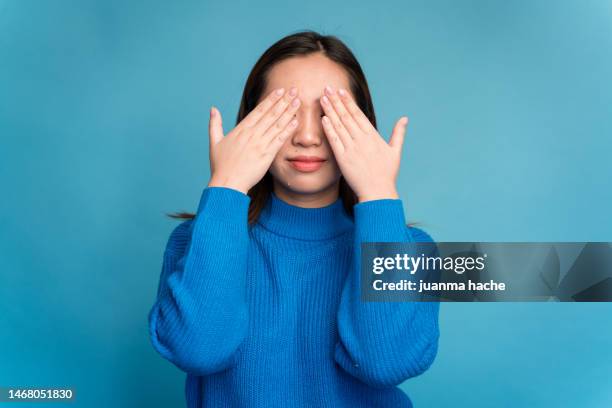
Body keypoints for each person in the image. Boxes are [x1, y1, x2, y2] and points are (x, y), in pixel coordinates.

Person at [148, 30, 440, 407]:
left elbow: (385, 364)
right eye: (283, 113)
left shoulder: (416, 252)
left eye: (330, 115)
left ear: (363, 128)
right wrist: (227, 184)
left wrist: (379, 194)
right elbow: (197, 351)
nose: (306, 136)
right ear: (251, 124)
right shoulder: (193, 240)